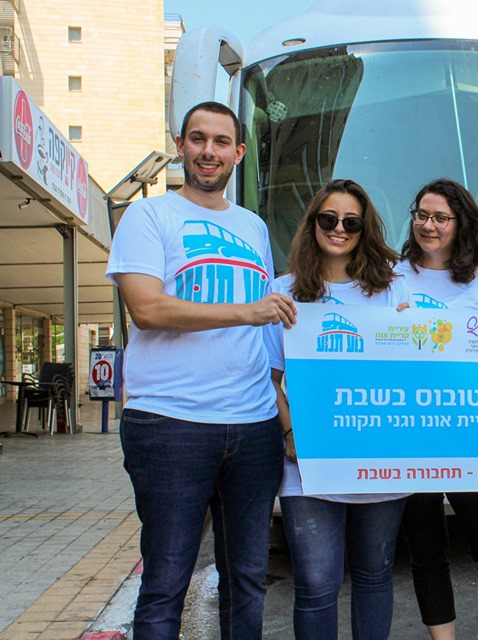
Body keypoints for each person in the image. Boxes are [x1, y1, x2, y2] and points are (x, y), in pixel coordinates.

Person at [105, 101, 296, 638]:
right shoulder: (149, 216)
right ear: (181, 146)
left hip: (253, 426)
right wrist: (246, 311)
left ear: (237, 153)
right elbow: (146, 308)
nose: (207, 151)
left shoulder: (254, 227)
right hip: (170, 424)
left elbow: (267, 328)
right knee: (166, 582)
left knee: (249, 581)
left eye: (219, 142)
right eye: (197, 139)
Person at [264, 179, 410, 640]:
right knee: (314, 586)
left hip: (380, 457)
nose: (339, 229)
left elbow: (413, 371)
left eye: (351, 221)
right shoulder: (283, 291)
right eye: (329, 219)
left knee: (373, 577)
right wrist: (290, 436)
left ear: (365, 229)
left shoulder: (391, 290)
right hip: (308, 462)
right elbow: (269, 379)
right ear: (314, 225)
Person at [396, 178, 478, 640]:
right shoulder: (390, 276)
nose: (428, 225)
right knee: (427, 552)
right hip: (414, 432)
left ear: (460, 224)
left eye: (440, 218)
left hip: (473, 437)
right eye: (422, 215)